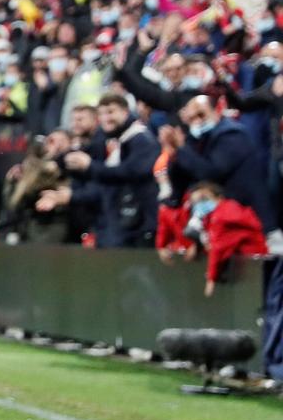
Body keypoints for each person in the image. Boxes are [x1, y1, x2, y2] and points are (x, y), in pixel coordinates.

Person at [166, 94, 278, 234]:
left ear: (216, 111)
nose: (198, 121)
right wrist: (175, 154)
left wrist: (182, 149)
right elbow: (180, 183)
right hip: (227, 225)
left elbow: (211, 173)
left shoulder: (232, 135)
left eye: (201, 115)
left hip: (255, 224)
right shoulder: (197, 140)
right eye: (192, 118)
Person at [59, 92, 156, 248]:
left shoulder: (140, 139)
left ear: (125, 111)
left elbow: (130, 172)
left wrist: (90, 166)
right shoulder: (113, 139)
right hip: (116, 223)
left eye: (111, 112)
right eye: (102, 113)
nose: (105, 118)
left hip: (136, 225)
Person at [157, 180, 269, 296]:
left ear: (218, 197)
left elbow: (218, 248)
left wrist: (211, 280)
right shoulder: (216, 215)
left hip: (253, 266)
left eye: (204, 199)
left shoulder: (223, 215)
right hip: (248, 265)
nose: (200, 204)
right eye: (196, 202)